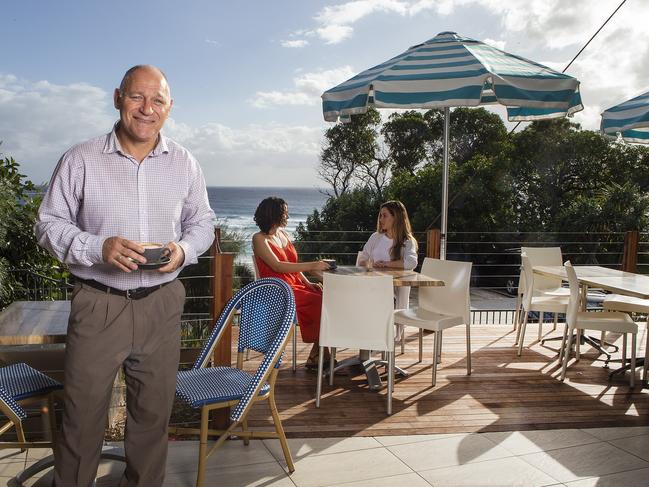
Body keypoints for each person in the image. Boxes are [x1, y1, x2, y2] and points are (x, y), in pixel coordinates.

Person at [35, 65, 216, 487]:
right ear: (118, 97)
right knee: (81, 419)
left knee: (153, 421)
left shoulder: (185, 162)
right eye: (137, 97)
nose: (147, 108)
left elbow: (203, 221)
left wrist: (183, 250)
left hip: (161, 303)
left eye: (158, 100)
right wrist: (99, 248)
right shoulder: (80, 158)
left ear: (170, 107)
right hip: (99, 303)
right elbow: (48, 223)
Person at [252, 197, 331, 368]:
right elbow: (278, 266)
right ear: (274, 215)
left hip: (293, 284)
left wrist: (308, 283)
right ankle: (321, 354)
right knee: (319, 301)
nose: (287, 216)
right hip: (278, 289)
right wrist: (313, 265)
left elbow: (293, 264)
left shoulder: (283, 234)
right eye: (285, 213)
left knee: (325, 295)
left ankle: (318, 353)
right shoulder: (259, 239)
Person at [358, 200, 418, 341]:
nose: (381, 219)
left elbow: (411, 262)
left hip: (395, 289)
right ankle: (375, 335)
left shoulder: (407, 241)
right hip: (373, 286)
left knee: (387, 297)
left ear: (395, 217)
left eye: (384, 216)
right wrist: (370, 264)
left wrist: (386, 264)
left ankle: (386, 335)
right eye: (380, 216)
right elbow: (362, 259)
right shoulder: (375, 237)